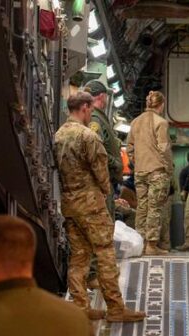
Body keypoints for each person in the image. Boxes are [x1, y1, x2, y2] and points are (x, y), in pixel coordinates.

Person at [54, 92, 144, 322]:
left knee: (79, 258)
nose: (91, 114)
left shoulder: (59, 135)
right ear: (84, 107)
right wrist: (106, 192)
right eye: (91, 110)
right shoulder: (88, 137)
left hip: (70, 204)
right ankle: (115, 308)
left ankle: (80, 307)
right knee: (105, 253)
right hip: (91, 205)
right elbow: (101, 173)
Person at [127, 90, 173, 256]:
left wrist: (136, 163)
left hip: (140, 172)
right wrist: (168, 168)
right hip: (157, 171)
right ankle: (152, 245)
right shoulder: (161, 123)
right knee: (155, 208)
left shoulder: (135, 122)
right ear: (161, 105)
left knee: (142, 207)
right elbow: (164, 148)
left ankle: (140, 244)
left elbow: (129, 148)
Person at [81, 80, 123, 212]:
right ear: (102, 96)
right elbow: (95, 149)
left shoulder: (95, 117)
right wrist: (115, 163)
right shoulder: (95, 118)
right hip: (101, 182)